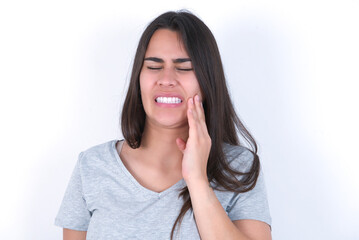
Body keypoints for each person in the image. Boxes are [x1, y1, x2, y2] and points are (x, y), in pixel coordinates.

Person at [55, 10, 272, 240]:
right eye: (154, 66)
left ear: (208, 81)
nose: (166, 79)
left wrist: (197, 180)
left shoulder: (240, 168)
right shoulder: (92, 166)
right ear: (139, 79)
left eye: (184, 67)